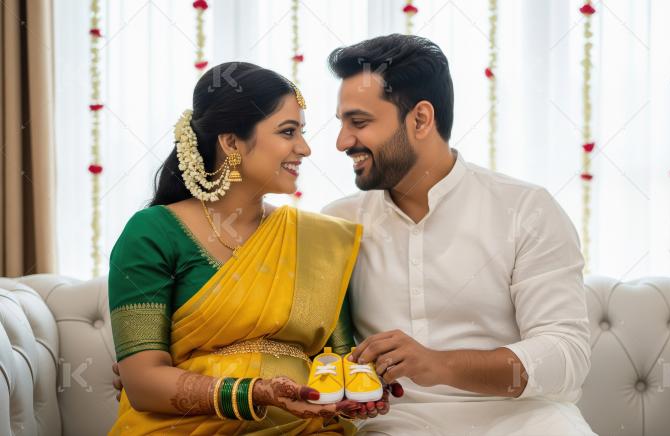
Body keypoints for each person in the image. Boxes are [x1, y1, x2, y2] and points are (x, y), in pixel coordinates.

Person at [322, 34, 597, 435]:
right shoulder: (337, 225)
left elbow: (566, 356)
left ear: (420, 119)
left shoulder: (526, 210)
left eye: (359, 122)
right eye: (342, 123)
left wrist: (441, 364)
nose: (343, 141)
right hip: (393, 423)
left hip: (524, 420)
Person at [107, 62, 394, 435]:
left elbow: (338, 363)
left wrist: (361, 393)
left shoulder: (318, 240)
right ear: (230, 142)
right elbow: (142, 383)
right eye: (287, 132)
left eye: (302, 133)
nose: (304, 148)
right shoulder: (152, 233)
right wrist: (256, 394)